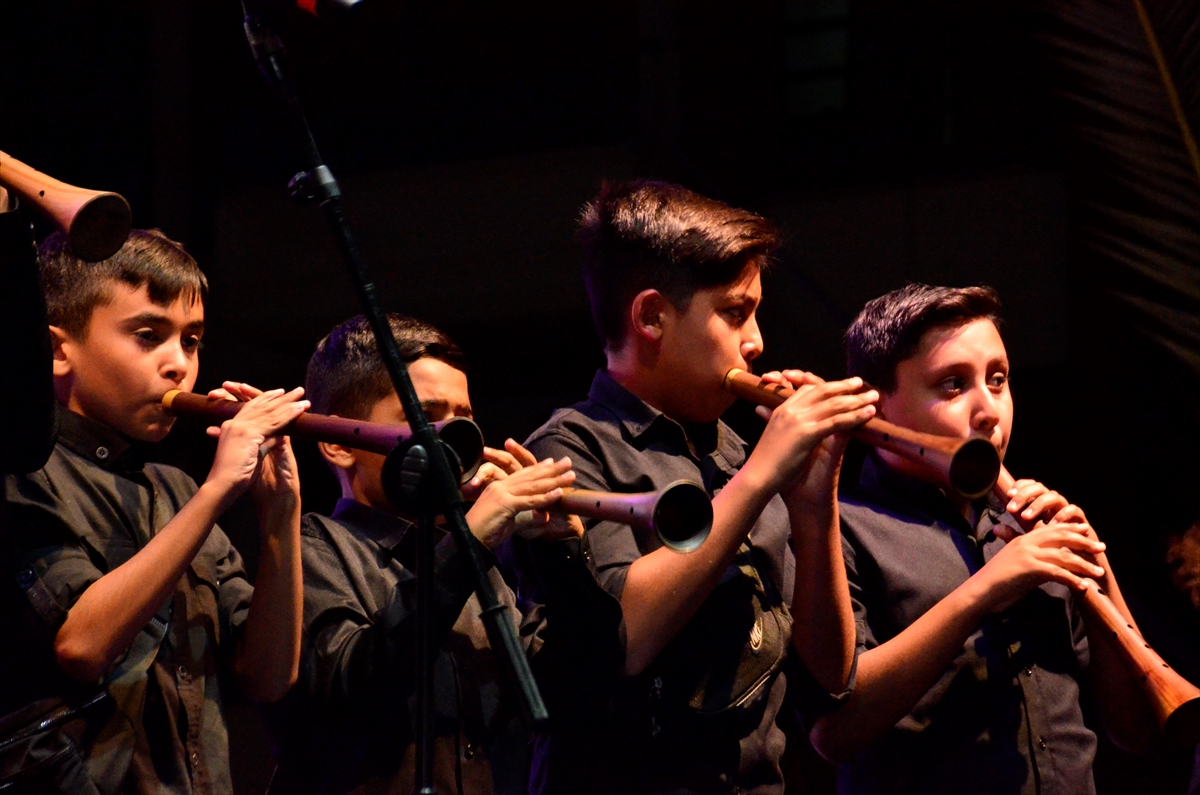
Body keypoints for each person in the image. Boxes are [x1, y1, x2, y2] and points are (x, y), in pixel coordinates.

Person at [511, 180, 878, 795]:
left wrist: (815, 508)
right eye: (735, 313)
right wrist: (762, 477)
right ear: (652, 316)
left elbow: (829, 680)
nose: (756, 341)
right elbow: (624, 640)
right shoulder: (570, 448)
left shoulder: (739, 455)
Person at [808, 283, 1157, 794]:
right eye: (952, 385)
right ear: (876, 407)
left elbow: (1139, 730)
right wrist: (987, 589)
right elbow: (834, 732)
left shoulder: (1032, 527)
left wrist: (1096, 568)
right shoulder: (837, 529)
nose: (989, 410)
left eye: (998, 380)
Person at [2, 229, 307, 794]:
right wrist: (218, 491)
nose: (179, 366)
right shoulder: (22, 472)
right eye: (149, 336)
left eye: (191, 342)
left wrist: (281, 512)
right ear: (56, 350)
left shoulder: (177, 488)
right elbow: (83, 647)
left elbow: (267, 679)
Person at [266, 313, 593, 795]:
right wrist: (471, 544)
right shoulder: (311, 550)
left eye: (464, 419)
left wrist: (559, 555)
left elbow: (577, 693)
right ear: (338, 443)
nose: (458, 441)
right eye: (427, 418)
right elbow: (357, 692)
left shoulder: (477, 564)